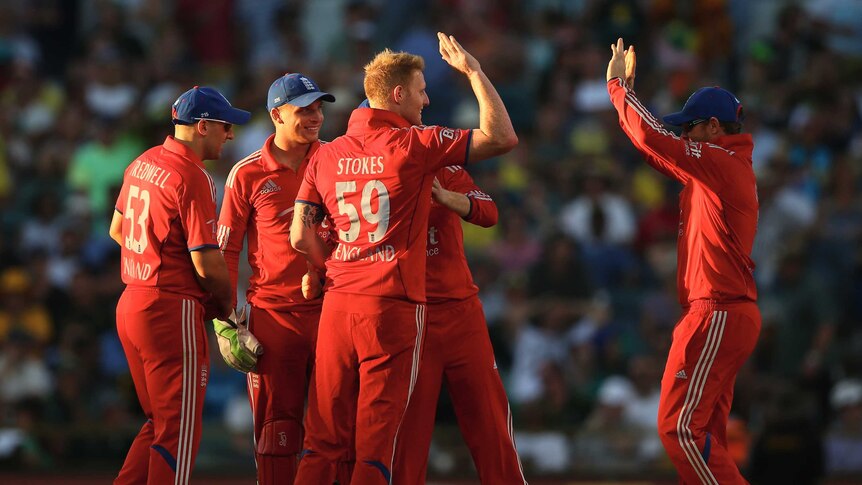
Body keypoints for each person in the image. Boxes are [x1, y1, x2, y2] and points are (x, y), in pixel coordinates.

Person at [289, 32, 518, 485]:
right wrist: (473, 70)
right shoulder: (417, 147)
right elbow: (502, 137)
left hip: (352, 301)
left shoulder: (327, 154)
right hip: (396, 306)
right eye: (420, 90)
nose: (427, 99)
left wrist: (322, 271)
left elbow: (300, 234)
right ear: (398, 95)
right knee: (386, 443)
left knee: (324, 439)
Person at [606, 38, 761, 484]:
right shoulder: (719, 168)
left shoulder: (722, 164)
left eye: (689, 129)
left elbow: (651, 135)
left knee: (678, 429)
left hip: (717, 311)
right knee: (705, 433)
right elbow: (654, 147)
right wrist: (630, 96)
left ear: (713, 128)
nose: (683, 136)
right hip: (724, 312)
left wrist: (617, 86)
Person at [108, 86, 250, 485]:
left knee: (159, 424)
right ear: (202, 126)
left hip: (132, 300)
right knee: (179, 431)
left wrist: (157, 257)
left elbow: (117, 229)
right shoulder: (192, 176)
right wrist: (227, 310)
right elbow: (207, 260)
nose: (231, 135)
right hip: (170, 309)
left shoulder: (142, 162)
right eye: (225, 126)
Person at [216, 72, 337, 484]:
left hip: (333, 313)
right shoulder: (246, 174)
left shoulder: (339, 162)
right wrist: (225, 319)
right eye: (304, 110)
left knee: (340, 428)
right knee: (276, 433)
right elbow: (226, 251)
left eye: (319, 108)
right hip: (274, 319)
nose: (316, 117)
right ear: (276, 115)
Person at [392, 166, 527, 484]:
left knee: (489, 419)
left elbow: (488, 212)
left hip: (460, 311)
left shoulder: (443, 167)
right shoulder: (362, 173)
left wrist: (444, 196)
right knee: (409, 430)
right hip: (408, 315)